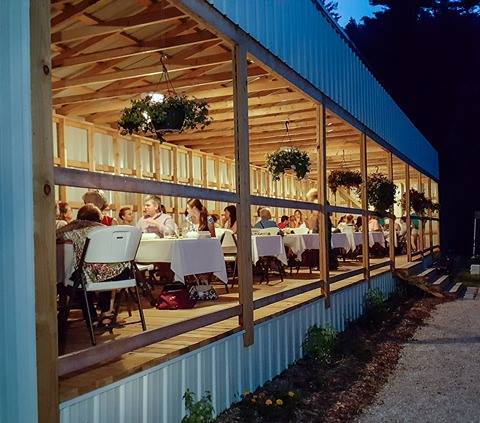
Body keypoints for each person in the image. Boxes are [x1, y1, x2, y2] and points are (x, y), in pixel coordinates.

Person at [56, 204, 128, 326]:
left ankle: (91, 317)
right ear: (98, 219)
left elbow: (55, 235)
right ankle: (105, 313)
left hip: (88, 276)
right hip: (118, 275)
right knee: (99, 269)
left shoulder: (74, 230)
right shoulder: (107, 230)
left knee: (74, 280)